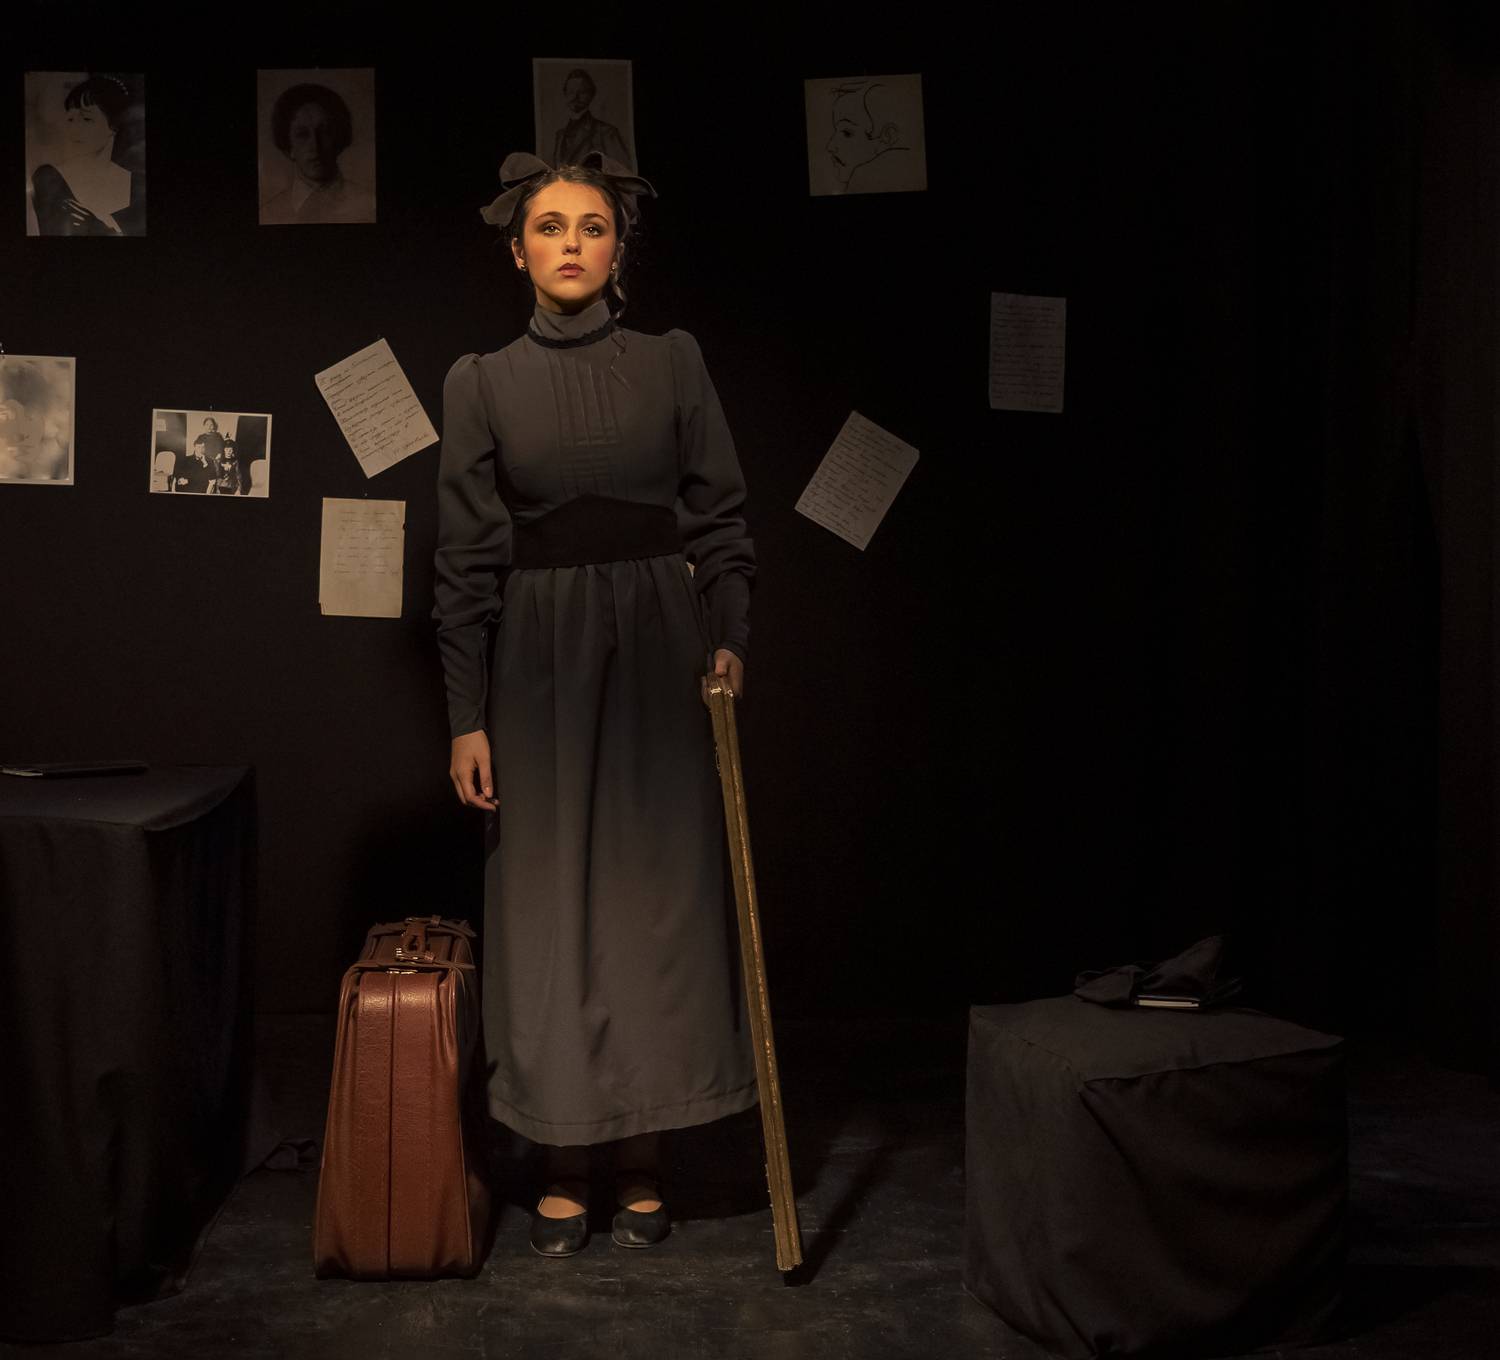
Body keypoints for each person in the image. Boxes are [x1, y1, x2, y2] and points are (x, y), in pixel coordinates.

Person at [433, 150, 757, 1258]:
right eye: (549, 226)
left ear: (620, 251)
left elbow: (721, 521)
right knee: (550, 907)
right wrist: (466, 716)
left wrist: (729, 641)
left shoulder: (673, 361)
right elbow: (463, 565)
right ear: (516, 250)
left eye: (592, 226)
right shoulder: (479, 381)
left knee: (657, 903)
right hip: (539, 661)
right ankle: (565, 1156)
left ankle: (645, 1152)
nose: (570, 243)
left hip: (662, 654)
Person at [30, 74, 144, 236]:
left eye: (86, 119)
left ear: (114, 125)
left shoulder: (137, 183)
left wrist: (98, 227)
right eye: (71, 119)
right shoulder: (50, 177)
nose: (74, 128)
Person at [260, 82, 375, 225]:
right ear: (289, 147)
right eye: (302, 135)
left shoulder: (369, 206)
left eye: (325, 132)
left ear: (338, 139)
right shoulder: (268, 213)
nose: (315, 146)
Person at [550, 70, 634, 170]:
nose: (575, 97)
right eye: (571, 92)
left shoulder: (607, 132)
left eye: (582, 92)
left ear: (591, 95)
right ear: (565, 94)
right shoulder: (560, 135)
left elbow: (623, 171)